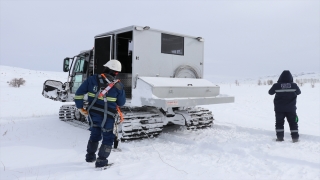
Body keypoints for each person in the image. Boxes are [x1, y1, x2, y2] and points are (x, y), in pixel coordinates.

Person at [74, 59, 126, 168]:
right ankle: (101, 161)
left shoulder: (92, 79)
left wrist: (80, 108)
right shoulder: (118, 86)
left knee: (95, 134)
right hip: (108, 117)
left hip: (93, 115)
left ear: (106, 68)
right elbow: (121, 102)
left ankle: (90, 157)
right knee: (108, 137)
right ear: (116, 72)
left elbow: (79, 94)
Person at [268, 70, 301, 142]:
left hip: (279, 109)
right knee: (293, 123)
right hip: (291, 108)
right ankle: (295, 138)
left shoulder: (276, 85)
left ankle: (280, 138)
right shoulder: (294, 85)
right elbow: (299, 92)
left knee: (279, 123)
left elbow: (270, 92)